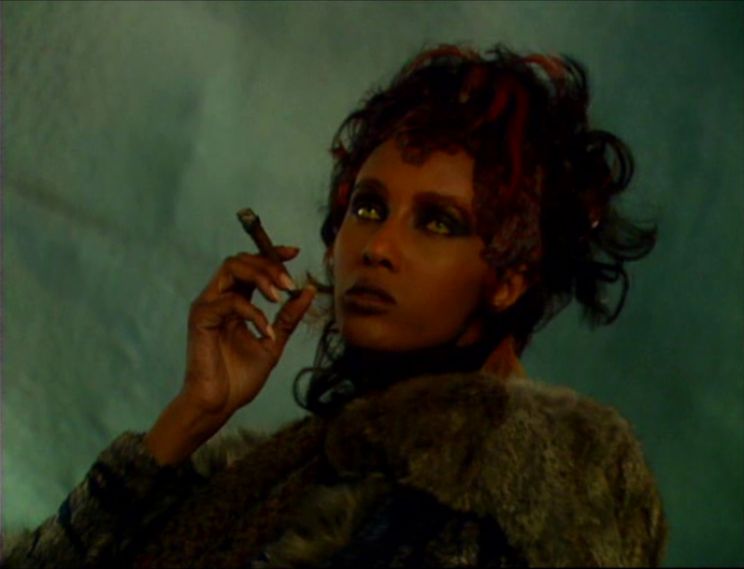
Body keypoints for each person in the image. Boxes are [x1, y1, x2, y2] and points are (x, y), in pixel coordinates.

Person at [3, 42, 669, 567]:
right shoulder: (285, 466)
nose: (378, 247)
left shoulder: (545, 477)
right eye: (369, 207)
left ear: (510, 279)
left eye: (437, 222)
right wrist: (192, 415)